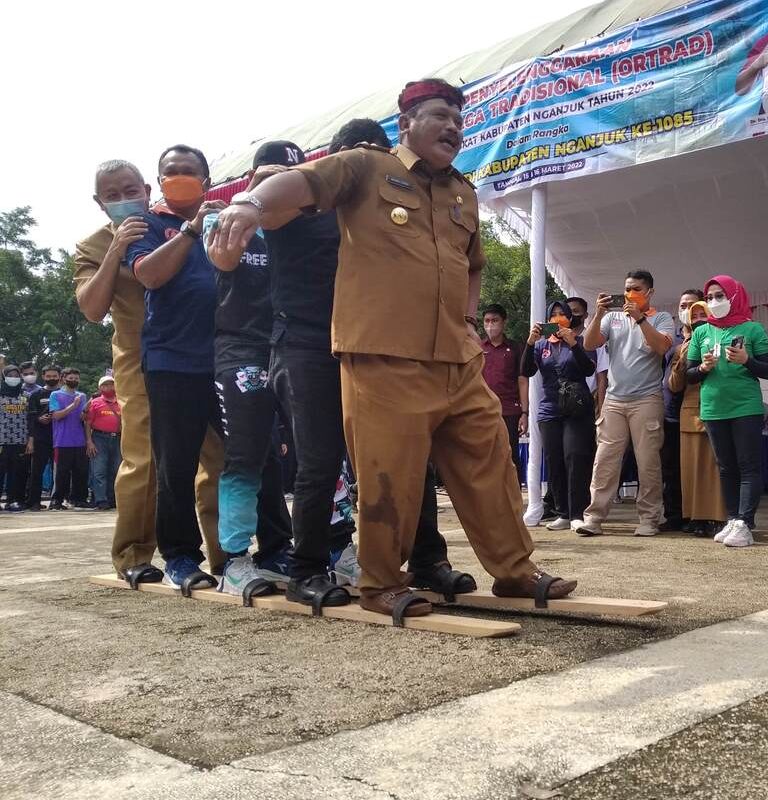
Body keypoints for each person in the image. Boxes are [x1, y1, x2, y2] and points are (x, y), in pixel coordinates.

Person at [209, 79, 576, 616]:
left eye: (457, 116)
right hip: (382, 353)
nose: (452, 125)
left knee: (489, 459)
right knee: (389, 473)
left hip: (454, 355)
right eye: (438, 115)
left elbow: (472, 264)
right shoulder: (365, 167)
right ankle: (380, 582)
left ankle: (515, 571)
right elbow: (301, 182)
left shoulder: (462, 192)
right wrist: (247, 203)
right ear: (405, 124)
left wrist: (470, 319)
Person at [251, 125, 475, 608]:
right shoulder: (300, 208)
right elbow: (266, 200)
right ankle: (306, 569)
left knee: (408, 457)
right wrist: (259, 189)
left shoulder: (389, 214)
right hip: (307, 349)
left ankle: (427, 561)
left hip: (374, 347)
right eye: (362, 157)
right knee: (320, 462)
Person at [75, 158, 225, 580]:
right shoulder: (92, 245)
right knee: (144, 461)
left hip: (197, 357)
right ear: (99, 203)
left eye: (130, 191)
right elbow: (91, 308)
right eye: (112, 196)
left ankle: (224, 556)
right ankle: (134, 556)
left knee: (217, 459)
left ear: (147, 188)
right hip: (139, 362)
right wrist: (116, 250)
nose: (124, 200)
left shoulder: (175, 224)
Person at [204, 142, 309, 597]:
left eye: (287, 175)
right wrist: (250, 202)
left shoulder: (311, 225)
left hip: (296, 347)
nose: (276, 182)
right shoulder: (222, 218)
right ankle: (233, 561)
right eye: (268, 174)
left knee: (319, 454)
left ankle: (324, 550)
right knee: (245, 457)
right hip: (242, 351)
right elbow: (222, 260)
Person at [126, 144, 232, 590]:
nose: (179, 179)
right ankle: (181, 557)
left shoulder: (228, 222)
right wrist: (189, 230)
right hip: (173, 363)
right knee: (176, 466)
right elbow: (148, 276)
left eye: (188, 172)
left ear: (207, 180)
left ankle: (254, 553)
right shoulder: (148, 224)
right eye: (170, 173)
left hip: (230, 360)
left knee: (251, 459)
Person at [577, 270, 675, 537]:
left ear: (650, 293)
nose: (630, 294)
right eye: (627, 289)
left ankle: (649, 519)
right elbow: (588, 343)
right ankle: (594, 518)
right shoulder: (612, 317)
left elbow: (662, 347)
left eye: (636, 289)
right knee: (605, 460)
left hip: (647, 399)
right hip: (614, 400)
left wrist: (640, 318)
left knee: (648, 462)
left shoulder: (662, 318)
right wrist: (597, 314)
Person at [686, 276, 768, 548]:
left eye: (720, 296)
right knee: (726, 467)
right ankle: (733, 518)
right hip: (713, 408)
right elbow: (688, 375)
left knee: (748, 465)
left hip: (745, 406)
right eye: (710, 297)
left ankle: (745, 522)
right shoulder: (701, 332)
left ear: (735, 296)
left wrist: (747, 360)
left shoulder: (753, 329)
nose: (714, 301)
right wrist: (703, 368)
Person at [522, 300, 596, 530]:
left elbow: (588, 369)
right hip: (549, 409)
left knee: (575, 457)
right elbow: (525, 371)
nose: (557, 318)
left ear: (569, 318)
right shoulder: (541, 344)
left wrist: (573, 344)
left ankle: (577, 513)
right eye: (552, 315)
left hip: (576, 409)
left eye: (561, 314)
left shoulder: (581, 341)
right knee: (554, 461)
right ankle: (562, 512)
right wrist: (529, 342)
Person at [668, 302, 727, 536]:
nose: (700, 318)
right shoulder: (681, 347)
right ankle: (696, 518)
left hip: (720, 408)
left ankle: (719, 518)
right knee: (691, 470)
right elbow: (674, 385)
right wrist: (683, 357)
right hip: (691, 412)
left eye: (704, 313)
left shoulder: (722, 337)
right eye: (695, 315)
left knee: (716, 470)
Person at [662, 290, 703, 531]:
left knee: (694, 466)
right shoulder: (671, 338)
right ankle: (674, 515)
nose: (686, 309)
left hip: (696, 410)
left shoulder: (707, 334)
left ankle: (696, 515)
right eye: (682, 305)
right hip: (669, 411)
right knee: (670, 467)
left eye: (691, 305)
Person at [481, 303, 528, 475]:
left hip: (509, 411)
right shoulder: (478, 347)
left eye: (495, 320)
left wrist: (525, 412)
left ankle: (513, 498)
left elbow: (522, 381)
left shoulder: (515, 348)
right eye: (486, 321)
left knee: (510, 457)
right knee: (484, 457)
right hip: (482, 410)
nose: (490, 325)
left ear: (503, 322)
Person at [48, 368, 90, 510]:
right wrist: (73, 405)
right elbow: (56, 416)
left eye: (76, 378)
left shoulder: (82, 396)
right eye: (71, 378)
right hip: (62, 440)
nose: (74, 381)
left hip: (80, 440)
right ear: (63, 378)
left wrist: (85, 413)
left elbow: (83, 420)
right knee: (62, 472)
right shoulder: (55, 394)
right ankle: (57, 500)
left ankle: (78, 499)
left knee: (81, 472)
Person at [84, 375, 122, 511]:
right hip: (99, 438)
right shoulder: (95, 402)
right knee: (99, 470)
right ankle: (101, 499)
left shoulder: (122, 401)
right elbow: (87, 423)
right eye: (105, 385)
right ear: (100, 388)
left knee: (116, 470)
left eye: (111, 384)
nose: (108, 387)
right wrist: (89, 441)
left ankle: (113, 499)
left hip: (118, 438)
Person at [23, 365, 58, 512]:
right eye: (48, 376)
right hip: (41, 438)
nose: (51, 378)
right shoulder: (36, 394)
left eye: (54, 376)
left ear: (60, 377)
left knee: (60, 472)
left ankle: (57, 501)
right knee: (37, 471)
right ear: (43, 376)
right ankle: (34, 502)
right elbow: (30, 417)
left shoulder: (64, 394)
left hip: (59, 438)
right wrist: (39, 418)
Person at [1, 365, 30, 511]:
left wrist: (30, 439)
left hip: (20, 440)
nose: (13, 377)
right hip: (2, 440)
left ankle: (13, 501)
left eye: (16, 375)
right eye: (10, 375)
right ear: (4, 377)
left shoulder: (26, 395)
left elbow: (31, 419)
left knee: (16, 473)